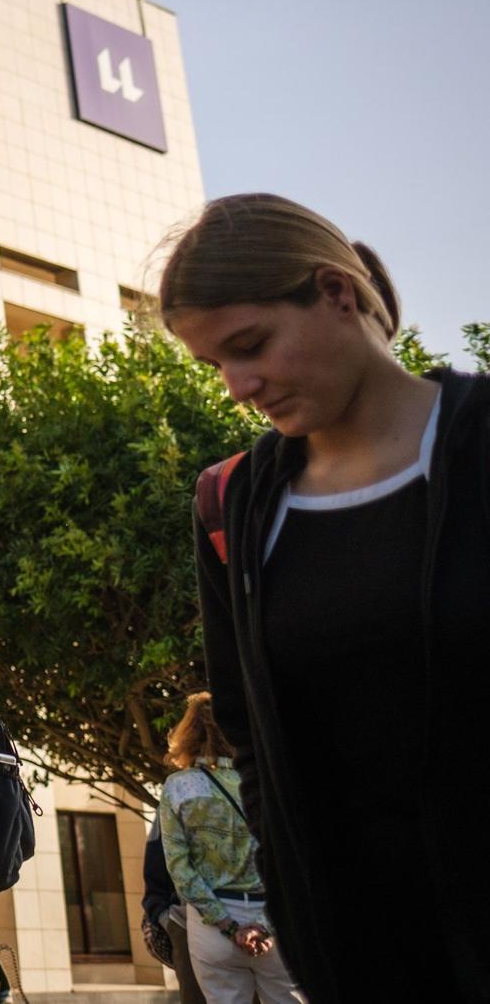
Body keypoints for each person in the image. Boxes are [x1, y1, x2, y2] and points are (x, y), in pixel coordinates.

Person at [163, 193, 490, 1002]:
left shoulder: (479, 443)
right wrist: (307, 925)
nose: (239, 387)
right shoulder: (236, 504)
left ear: (337, 293)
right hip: (362, 962)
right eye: (216, 366)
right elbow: (245, 723)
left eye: (251, 345)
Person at [157, 692, 303, 1004]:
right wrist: (263, 926)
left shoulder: (179, 787)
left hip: (213, 925)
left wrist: (229, 926)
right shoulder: (262, 781)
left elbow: (180, 870)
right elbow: (287, 856)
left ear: (187, 733)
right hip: (273, 916)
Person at [140, 816, 206, 1004]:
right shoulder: (172, 804)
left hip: (248, 921)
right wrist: (168, 921)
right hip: (186, 925)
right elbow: (154, 880)